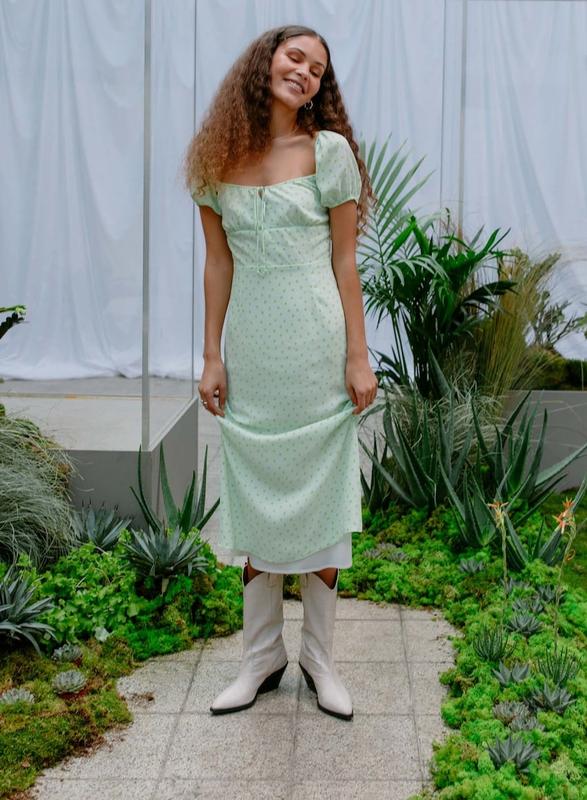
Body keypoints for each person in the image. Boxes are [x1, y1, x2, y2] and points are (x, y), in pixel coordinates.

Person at [183, 24, 378, 721]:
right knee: (256, 501)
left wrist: (357, 354)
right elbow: (218, 263)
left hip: (317, 350)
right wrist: (212, 354)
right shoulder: (213, 160)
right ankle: (260, 659)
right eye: (296, 56)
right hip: (255, 357)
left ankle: (319, 662)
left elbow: (345, 262)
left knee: (321, 505)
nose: (306, 72)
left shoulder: (329, 153)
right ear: (265, 60)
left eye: (318, 69)